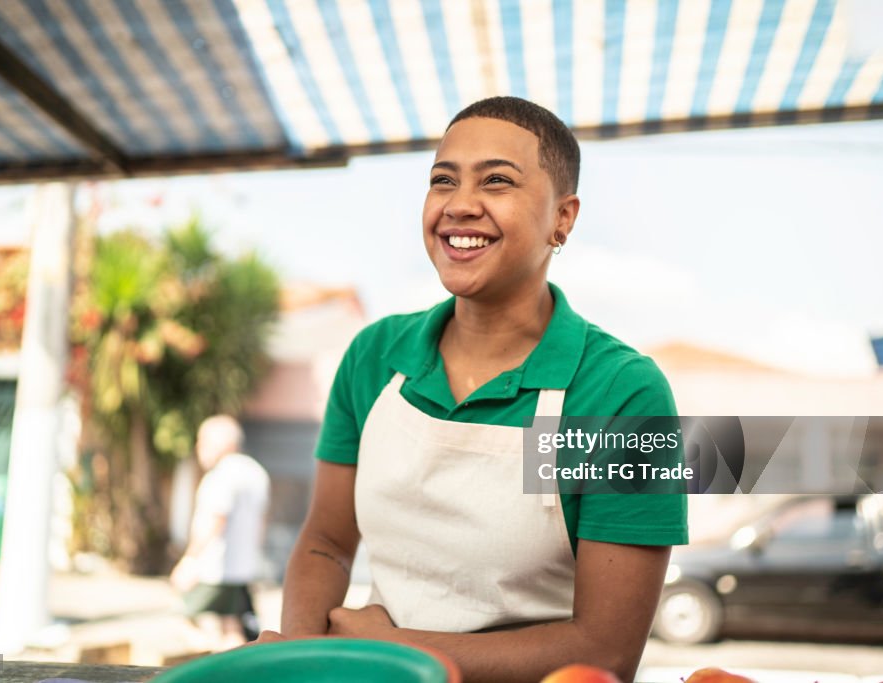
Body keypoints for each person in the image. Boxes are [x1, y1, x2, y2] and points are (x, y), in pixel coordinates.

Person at [255, 97, 687, 683]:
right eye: (443, 181)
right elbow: (328, 541)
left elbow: (606, 650)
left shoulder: (621, 396)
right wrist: (302, 662)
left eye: (497, 181)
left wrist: (397, 653)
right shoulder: (375, 358)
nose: (460, 205)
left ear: (563, 218)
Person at [170, 414, 270, 651]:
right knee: (233, 628)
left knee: (181, 616)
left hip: (215, 569)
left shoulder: (222, 474)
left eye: (203, 441)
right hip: (242, 569)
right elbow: (261, 523)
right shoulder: (256, 472)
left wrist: (190, 560)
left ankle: (214, 665)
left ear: (223, 443)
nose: (199, 448)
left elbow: (215, 520)